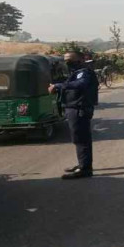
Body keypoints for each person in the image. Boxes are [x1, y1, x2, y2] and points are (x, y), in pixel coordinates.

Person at [48, 50, 99, 179]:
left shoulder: (85, 72)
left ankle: (85, 169)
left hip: (79, 109)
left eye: (70, 59)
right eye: (65, 60)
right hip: (74, 108)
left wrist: (59, 86)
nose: (67, 62)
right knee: (78, 139)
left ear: (80, 60)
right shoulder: (76, 72)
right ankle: (82, 164)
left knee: (81, 139)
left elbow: (81, 84)